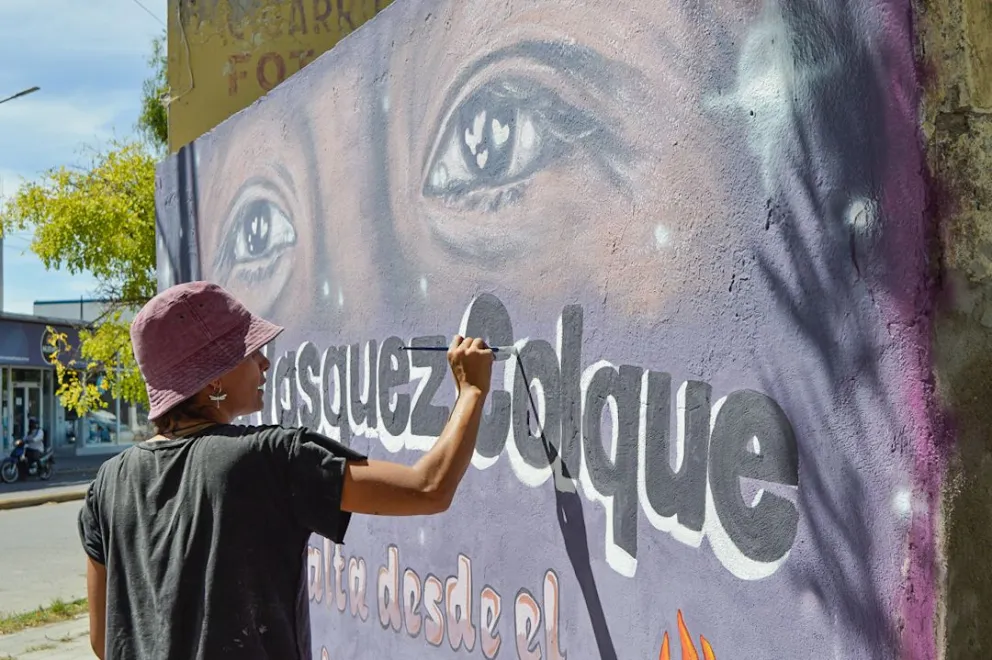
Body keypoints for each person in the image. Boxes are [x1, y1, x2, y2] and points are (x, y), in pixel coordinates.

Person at [77, 280, 494, 660]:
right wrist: (472, 391)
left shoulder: (107, 485)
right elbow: (428, 489)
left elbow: (103, 639)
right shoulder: (267, 459)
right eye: (249, 351)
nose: (264, 362)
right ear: (211, 381)